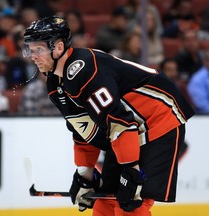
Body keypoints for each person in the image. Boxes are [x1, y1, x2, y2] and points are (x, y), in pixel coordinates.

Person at [22, 16, 194, 216]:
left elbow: (121, 122)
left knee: (130, 204)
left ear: (58, 47)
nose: (33, 56)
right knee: (105, 202)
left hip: (159, 119)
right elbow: (84, 130)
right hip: (129, 129)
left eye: (38, 49)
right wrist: (84, 175)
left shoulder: (84, 69)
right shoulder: (55, 83)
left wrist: (131, 171)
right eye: (30, 49)